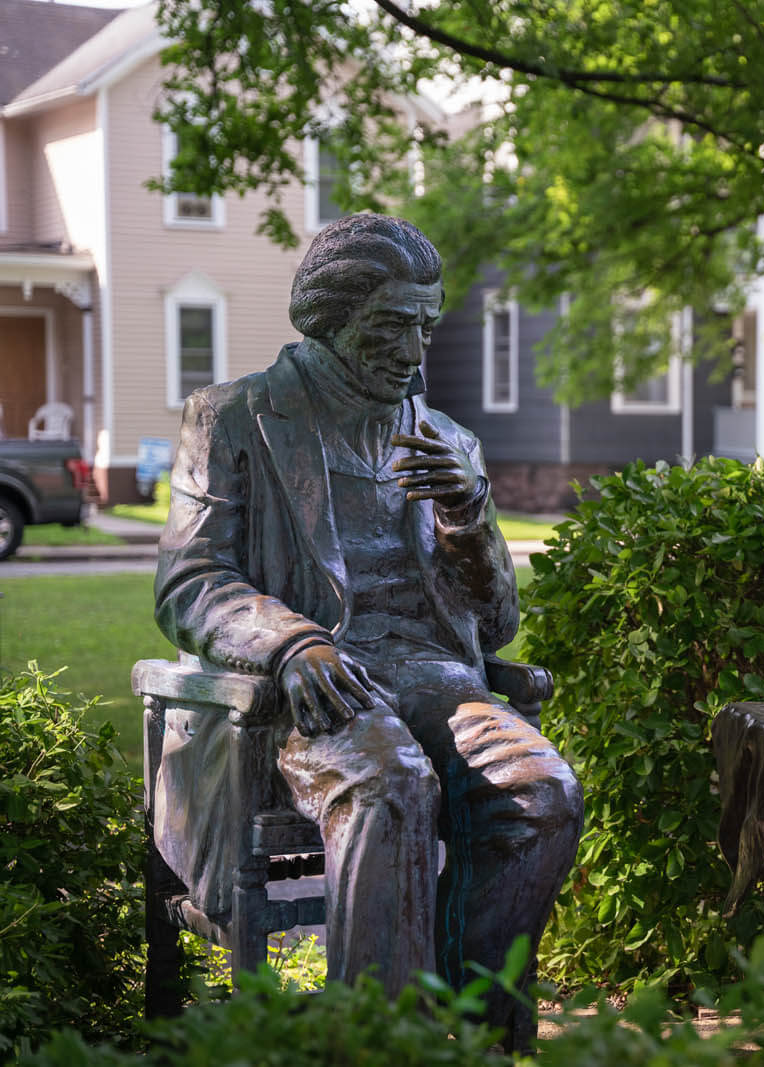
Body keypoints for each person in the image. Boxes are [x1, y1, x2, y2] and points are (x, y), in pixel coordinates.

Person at [152, 213, 581, 1045]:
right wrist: (290, 640)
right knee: (391, 782)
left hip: (437, 680)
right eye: (392, 327)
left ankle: (477, 1030)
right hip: (301, 696)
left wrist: (469, 512)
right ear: (330, 317)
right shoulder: (236, 418)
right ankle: (379, 1042)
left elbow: (496, 624)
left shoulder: (450, 442)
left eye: (427, 326)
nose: (416, 352)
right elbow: (189, 580)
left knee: (545, 795)